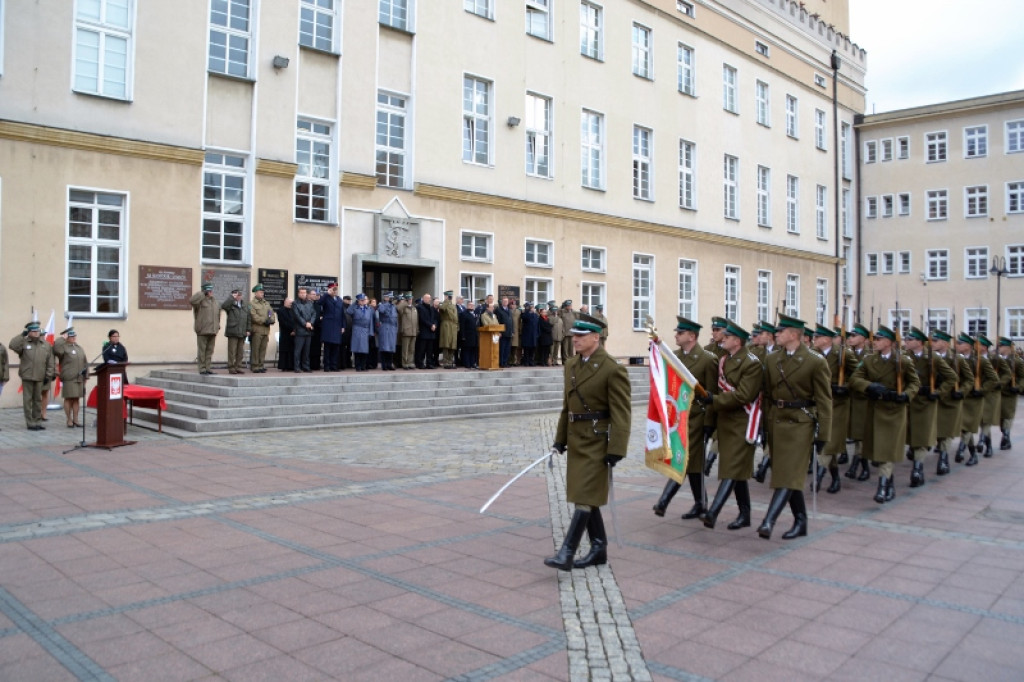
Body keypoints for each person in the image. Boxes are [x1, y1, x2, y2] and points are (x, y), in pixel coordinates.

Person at [546, 313, 631, 570]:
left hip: (598, 440)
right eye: (574, 336)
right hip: (577, 439)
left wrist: (616, 448)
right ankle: (598, 548)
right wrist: (559, 440)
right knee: (584, 494)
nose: (576, 340)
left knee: (584, 496)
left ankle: (567, 552)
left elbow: (622, 413)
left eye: (582, 336)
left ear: (597, 337)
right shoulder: (572, 364)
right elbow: (567, 406)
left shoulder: (612, 368)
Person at [757, 315, 831, 539]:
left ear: (794, 335)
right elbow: (767, 395)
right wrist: (764, 426)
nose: (776, 334)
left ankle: (768, 521)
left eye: (781, 331)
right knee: (788, 474)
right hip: (778, 420)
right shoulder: (772, 360)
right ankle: (801, 521)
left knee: (788, 474)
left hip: (801, 422)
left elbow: (824, 400)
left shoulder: (815, 361)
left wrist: (824, 433)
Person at [652, 317, 719, 520]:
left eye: (680, 333)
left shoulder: (708, 359)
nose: (676, 336)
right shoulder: (675, 356)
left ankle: (664, 501)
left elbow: (711, 394)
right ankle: (701, 503)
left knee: (684, 459)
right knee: (692, 462)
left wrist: (709, 424)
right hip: (678, 418)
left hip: (697, 417)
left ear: (692, 336)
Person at [699, 320, 763, 530]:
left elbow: (744, 395)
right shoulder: (724, 360)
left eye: (727, 337)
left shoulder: (751, 363)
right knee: (737, 470)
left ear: (737, 341)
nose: (722, 339)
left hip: (743, 422)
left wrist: (715, 400)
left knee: (731, 470)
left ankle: (713, 512)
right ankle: (745, 514)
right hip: (726, 422)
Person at [848, 325, 921, 504]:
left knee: (887, 451)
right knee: (880, 451)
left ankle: (881, 487)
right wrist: (869, 386)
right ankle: (890, 484)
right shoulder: (869, 360)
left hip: (895, 411)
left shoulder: (903, 361)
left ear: (889, 342)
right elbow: (854, 379)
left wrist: (906, 395)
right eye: (874, 339)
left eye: (879, 340)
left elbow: (914, 382)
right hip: (876, 409)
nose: (875, 342)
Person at [903, 327, 957, 488]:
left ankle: (918, 469)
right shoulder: (904, 357)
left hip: (926, 402)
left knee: (921, 436)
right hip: (910, 401)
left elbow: (951, 377)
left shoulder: (933, 358)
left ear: (919, 342)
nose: (906, 342)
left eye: (910, 339)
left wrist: (938, 392)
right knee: (912, 435)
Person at [810, 324, 856, 494]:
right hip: (820, 404)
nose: (814, 340)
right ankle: (835, 477)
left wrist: (846, 386)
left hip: (838, 405)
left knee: (829, 442)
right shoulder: (814, 354)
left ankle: (819, 477)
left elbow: (859, 374)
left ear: (827, 339)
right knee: (829, 444)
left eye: (817, 337)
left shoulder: (843, 354)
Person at [931, 329, 971, 474]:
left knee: (946, 432)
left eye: (935, 341)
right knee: (938, 431)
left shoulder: (957, 359)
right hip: (935, 400)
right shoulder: (930, 358)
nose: (932, 343)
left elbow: (969, 380)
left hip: (952, 401)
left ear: (945, 343)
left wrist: (961, 391)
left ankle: (943, 458)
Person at [955, 333, 997, 466]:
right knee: (964, 427)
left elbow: (993, 379)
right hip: (962, 397)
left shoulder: (981, 360)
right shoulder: (957, 359)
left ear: (968, 346)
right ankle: (973, 454)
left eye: (960, 343)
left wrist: (982, 389)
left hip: (975, 399)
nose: (957, 345)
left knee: (968, 426)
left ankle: (962, 449)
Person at [9, 322, 56, 430]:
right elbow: (12, 345)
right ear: (29, 332)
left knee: (37, 400)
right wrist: (22, 335)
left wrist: (48, 376)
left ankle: (37, 421)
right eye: (33, 331)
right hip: (27, 376)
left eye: (37, 331)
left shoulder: (46, 345)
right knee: (27, 400)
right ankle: (30, 423)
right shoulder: (23, 343)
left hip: (40, 376)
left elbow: (50, 362)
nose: (36, 333)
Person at [843, 323, 873, 481]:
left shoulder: (870, 356)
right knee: (855, 435)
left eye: (854, 336)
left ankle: (860, 466)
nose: (850, 338)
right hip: (851, 400)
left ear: (863, 339)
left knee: (861, 436)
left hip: (863, 401)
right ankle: (860, 465)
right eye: (850, 336)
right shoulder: (848, 353)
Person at [52, 327, 88, 428]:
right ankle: (69, 419)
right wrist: (61, 338)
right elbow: (55, 349)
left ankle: (76, 419)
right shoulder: (63, 347)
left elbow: (85, 361)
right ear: (67, 338)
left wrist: (86, 375)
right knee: (68, 398)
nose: (73, 338)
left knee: (76, 399)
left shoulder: (79, 347)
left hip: (79, 377)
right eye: (71, 336)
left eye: (74, 336)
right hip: (69, 377)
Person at [978, 335, 1002, 457]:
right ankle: (988, 445)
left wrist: (1000, 383)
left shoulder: (995, 359)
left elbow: (1007, 373)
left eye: (979, 344)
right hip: (980, 392)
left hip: (992, 393)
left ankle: (983, 442)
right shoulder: (974, 358)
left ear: (984, 347)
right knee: (982, 421)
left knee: (986, 420)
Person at [998, 337, 1024, 449]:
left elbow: (1022, 377)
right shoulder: (997, 360)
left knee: (1008, 416)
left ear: (1008, 348)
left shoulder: (1017, 361)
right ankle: (1005, 435)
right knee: (1001, 418)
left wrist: (1018, 387)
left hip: (1010, 393)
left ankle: (1006, 438)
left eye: (1001, 346)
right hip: (999, 393)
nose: (999, 348)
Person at [190, 283, 220, 374]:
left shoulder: (214, 301)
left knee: (210, 351)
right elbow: (192, 300)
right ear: (205, 291)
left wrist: (217, 326)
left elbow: (218, 314)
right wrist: (202, 293)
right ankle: (202, 368)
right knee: (202, 351)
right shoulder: (200, 301)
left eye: (211, 290)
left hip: (212, 330)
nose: (211, 292)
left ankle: (208, 367)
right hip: (202, 330)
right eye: (209, 290)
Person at [222, 288, 251, 374]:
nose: (239, 297)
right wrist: (231, 298)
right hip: (233, 331)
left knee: (240, 351)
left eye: (240, 295)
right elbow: (224, 306)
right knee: (232, 351)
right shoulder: (230, 304)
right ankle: (231, 367)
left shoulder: (245, 305)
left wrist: (248, 329)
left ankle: (238, 366)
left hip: (242, 331)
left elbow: (249, 318)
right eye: (237, 295)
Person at [248, 284, 275, 373]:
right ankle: (255, 366)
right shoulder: (251, 304)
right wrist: (264, 321)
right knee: (256, 349)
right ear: (256, 293)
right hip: (257, 329)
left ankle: (261, 365)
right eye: (260, 292)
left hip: (265, 330)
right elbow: (253, 316)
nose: (262, 294)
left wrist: (271, 319)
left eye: (263, 292)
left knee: (263, 348)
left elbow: (270, 312)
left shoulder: (266, 303)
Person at [320, 283, 345, 372]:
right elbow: (319, 303)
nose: (335, 291)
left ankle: (334, 366)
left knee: (336, 348)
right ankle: (327, 366)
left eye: (336, 289)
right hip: (328, 326)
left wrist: (343, 326)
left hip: (337, 326)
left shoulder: (339, 300)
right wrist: (327, 294)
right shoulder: (326, 298)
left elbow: (342, 314)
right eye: (333, 289)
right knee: (328, 348)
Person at [292, 286, 317, 372]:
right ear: (298, 294)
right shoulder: (295, 303)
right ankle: (297, 367)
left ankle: (306, 366)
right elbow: (297, 316)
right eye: (301, 293)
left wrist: (311, 323)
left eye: (304, 293)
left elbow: (314, 313)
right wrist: (305, 323)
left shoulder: (310, 303)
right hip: (300, 330)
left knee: (307, 351)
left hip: (308, 330)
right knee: (298, 350)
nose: (303, 294)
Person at [348, 293, 374, 371]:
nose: (363, 302)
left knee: (364, 350)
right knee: (357, 349)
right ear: (358, 301)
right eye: (361, 300)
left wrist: (371, 332)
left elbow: (371, 321)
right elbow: (348, 311)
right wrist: (355, 303)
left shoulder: (369, 309)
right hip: (357, 329)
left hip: (366, 330)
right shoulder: (355, 308)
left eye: (364, 300)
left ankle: (363, 366)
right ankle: (358, 366)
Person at [416, 293, 438, 369]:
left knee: (430, 350)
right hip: (424, 331)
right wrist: (430, 325)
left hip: (431, 332)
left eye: (430, 298)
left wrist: (435, 325)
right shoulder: (420, 307)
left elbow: (435, 318)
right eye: (428, 298)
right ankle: (420, 363)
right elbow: (422, 319)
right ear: (424, 299)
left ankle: (429, 363)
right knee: (422, 349)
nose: (429, 300)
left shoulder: (432, 308)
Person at [377, 292, 399, 371]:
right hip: (385, 327)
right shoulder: (381, 305)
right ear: (385, 298)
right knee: (384, 347)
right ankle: (384, 365)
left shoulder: (393, 306)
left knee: (391, 348)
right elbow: (381, 311)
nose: (391, 299)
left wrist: (396, 328)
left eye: (391, 298)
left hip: (392, 328)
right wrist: (386, 303)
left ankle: (389, 364)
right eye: (389, 297)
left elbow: (395, 318)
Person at [398, 293, 418, 370]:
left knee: (412, 349)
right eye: (409, 299)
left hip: (413, 331)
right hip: (406, 331)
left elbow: (417, 320)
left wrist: (417, 329)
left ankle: (410, 362)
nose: (410, 300)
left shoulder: (414, 308)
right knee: (405, 349)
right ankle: (405, 363)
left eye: (411, 299)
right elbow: (398, 308)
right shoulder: (404, 308)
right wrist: (404, 303)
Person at [439, 290, 459, 369]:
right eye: (449, 296)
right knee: (446, 344)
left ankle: (450, 361)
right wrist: (446, 300)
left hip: (453, 326)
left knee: (452, 345)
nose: (450, 298)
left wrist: (457, 326)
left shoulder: (453, 305)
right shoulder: (444, 304)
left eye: (451, 296)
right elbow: (442, 309)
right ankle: (446, 362)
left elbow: (456, 317)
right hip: (446, 325)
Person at [276, 297, 295, 371]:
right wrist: (291, 329)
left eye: (292, 303)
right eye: (290, 303)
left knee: (291, 350)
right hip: (285, 333)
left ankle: (291, 366)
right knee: (285, 350)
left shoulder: (293, 310)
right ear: (285, 302)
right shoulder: (280, 311)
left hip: (293, 333)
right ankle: (284, 366)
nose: (291, 304)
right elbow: (283, 322)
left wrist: (295, 330)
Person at [459, 300, 479, 368]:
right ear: (467, 306)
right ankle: (467, 364)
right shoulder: (464, 314)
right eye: (470, 305)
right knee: (467, 350)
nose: (472, 306)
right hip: (467, 335)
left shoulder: (475, 314)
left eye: (473, 305)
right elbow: (462, 326)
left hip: (474, 335)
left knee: (473, 350)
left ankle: (472, 363)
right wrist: (463, 336)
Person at [495, 296, 513, 368]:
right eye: (504, 301)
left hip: (509, 332)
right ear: (502, 302)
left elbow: (511, 322)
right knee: (501, 349)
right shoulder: (499, 310)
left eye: (506, 301)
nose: (505, 302)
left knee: (507, 349)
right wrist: (499, 331)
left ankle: (505, 362)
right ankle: (501, 362)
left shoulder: (509, 310)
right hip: (502, 333)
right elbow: (497, 322)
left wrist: (512, 331)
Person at [558, 300, 577, 364]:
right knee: (565, 348)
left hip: (572, 332)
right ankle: (565, 360)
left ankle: (571, 359)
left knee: (571, 348)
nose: (570, 307)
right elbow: (558, 313)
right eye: (568, 306)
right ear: (566, 306)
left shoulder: (573, 312)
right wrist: (562, 305)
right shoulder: (562, 312)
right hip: (565, 333)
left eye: (570, 305)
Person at [550, 301, 564, 366]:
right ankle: (551, 361)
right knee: (552, 350)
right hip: (553, 336)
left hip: (559, 336)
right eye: (555, 311)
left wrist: (562, 335)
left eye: (556, 311)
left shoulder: (560, 319)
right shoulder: (550, 318)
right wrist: (555, 316)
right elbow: (551, 324)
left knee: (556, 350)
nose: (556, 312)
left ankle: (555, 361)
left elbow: (562, 327)